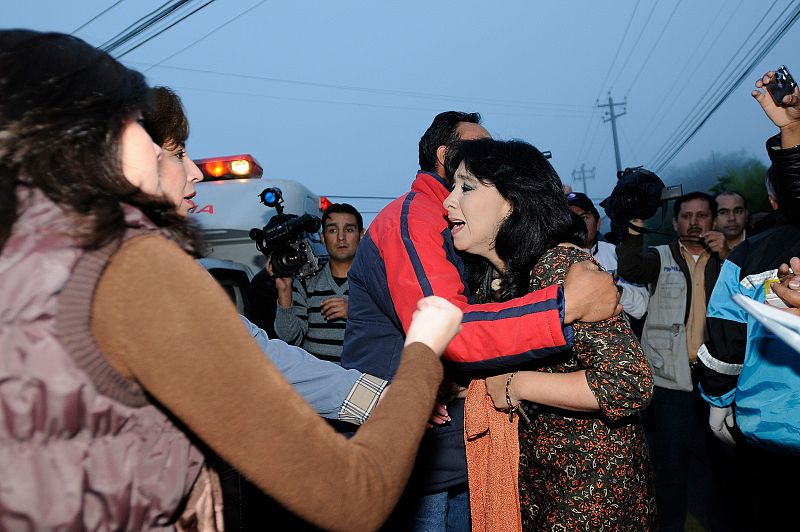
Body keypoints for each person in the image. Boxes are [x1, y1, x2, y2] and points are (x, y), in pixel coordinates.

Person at [0, 30, 464, 531]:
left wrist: (375, 398)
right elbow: (353, 496)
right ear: (83, 141)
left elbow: (255, 355)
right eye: (147, 132)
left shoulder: (30, 267)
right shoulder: (134, 266)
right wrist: (421, 353)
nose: (191, 170)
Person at [341, 111, 622, 530]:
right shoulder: (415, 218)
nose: (490, 156)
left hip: (472, 446)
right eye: (478, 151)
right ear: (446, 155)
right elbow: (449, 330)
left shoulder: (521, 249)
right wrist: (563, 307)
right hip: (417, 446)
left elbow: (625, 380)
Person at [444, 138, 655, 531]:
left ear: (513, 203)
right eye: (452, 188)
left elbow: (628, 385)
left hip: (590, 492)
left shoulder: (560, 265)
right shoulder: (497, 278)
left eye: (466, 187)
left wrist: (515, 385)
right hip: (541, 480)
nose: (449, 202)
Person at [696, 69, 800, 531]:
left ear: (770, 200)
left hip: (766, 434)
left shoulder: (747, 255)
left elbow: (724, 343)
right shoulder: (746, 255)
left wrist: (718, 402)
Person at [616, 191, 733, 531]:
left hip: (719, 381)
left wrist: (726, 254)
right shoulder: (660, 256)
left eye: (702, 215)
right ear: (674, 222)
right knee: (671, 470)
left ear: (713, 221)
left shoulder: (729, 259)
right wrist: (635, 224)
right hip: (671, 384)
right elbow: (630, 268)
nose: (694, 222)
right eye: (686, 216)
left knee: (719, 468)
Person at [274, 203, 364, 362]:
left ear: (361, 235)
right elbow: (289, 339)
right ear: (322, 238)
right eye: (332, 230)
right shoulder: (305, 283)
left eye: (349, 229)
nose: (341, 237)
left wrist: (355, 313)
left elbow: (389, 335)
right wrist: (284, 290)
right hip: (317, 382)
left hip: (358, 382)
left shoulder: (375, 283)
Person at [566, 191, 649, 320]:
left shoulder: (616, 253)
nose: (578, 225)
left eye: (584, 217)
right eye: (571, 219)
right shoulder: (554, 261)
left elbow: (642, 306)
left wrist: (614, 290)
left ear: (598, 223)